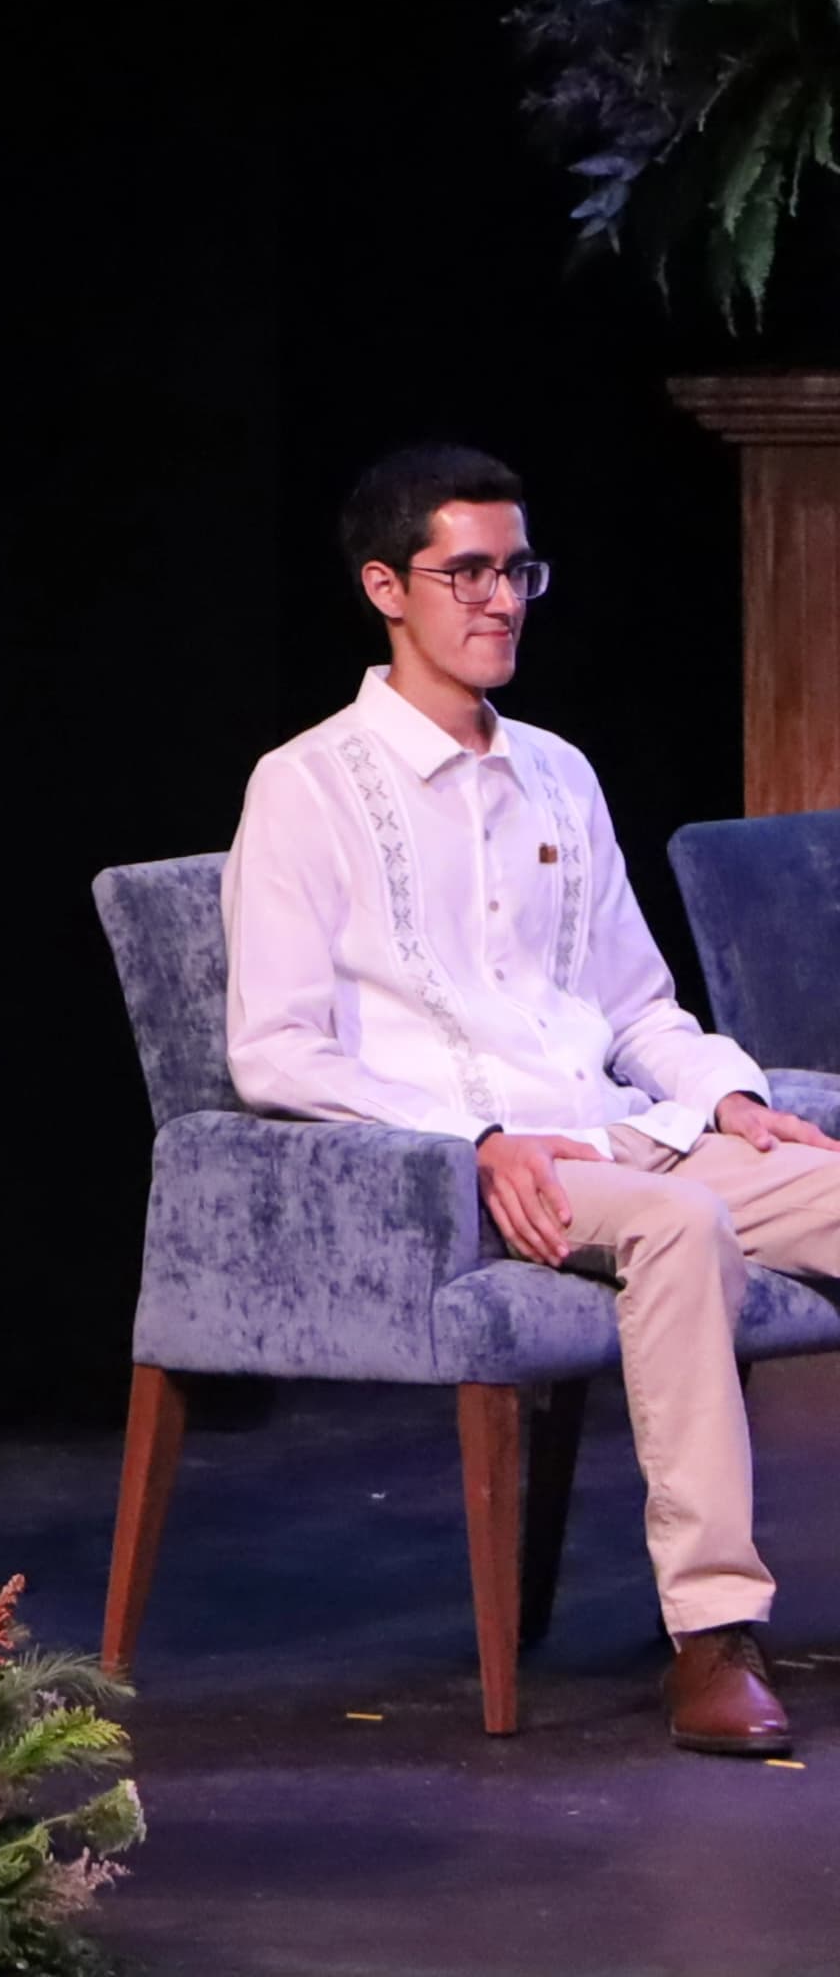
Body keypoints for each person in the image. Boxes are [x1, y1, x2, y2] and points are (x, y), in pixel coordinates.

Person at [225, 442, 836, 1758]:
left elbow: (638, 1009)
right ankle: (714, 1639)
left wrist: (728, 1096)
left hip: (625, 1131)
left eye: (517, 570)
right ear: (388, 587)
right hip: (468, 1168)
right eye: (467, 573)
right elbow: (273, 1053)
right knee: (682, 1234)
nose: (500, 599)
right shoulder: (308, 786)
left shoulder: (561, 772)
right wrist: (477, 1139)